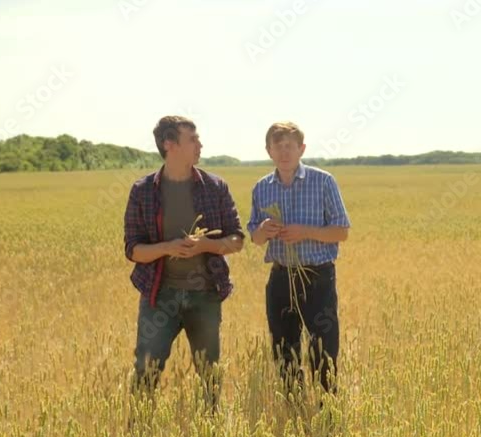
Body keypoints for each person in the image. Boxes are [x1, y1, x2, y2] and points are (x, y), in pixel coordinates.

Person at [123, 115, 244, 412]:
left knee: (209, 374)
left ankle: (212, 435)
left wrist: (205, 246)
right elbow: (133, 250)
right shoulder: (143, 191)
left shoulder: (215, 187)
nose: (200, 144)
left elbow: (238, 240)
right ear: (169, 144)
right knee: (146, 369)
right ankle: (138, 435)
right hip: (158, 296)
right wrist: (167, 248)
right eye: (192, 139)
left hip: (205, 295)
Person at [247, 121, 350, 397]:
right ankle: (294, 410)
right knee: (284, 348)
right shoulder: (261, 188)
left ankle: (327, 412)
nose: (284, 152)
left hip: (317, 277)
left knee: (323, 347)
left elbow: (342, 231)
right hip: (281, 277)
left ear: (301, 149)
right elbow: (254, 237)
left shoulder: (323, 181)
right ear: (268, 151)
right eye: (277, 146)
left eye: (289, 146)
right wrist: (263, 231)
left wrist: (306, 232)